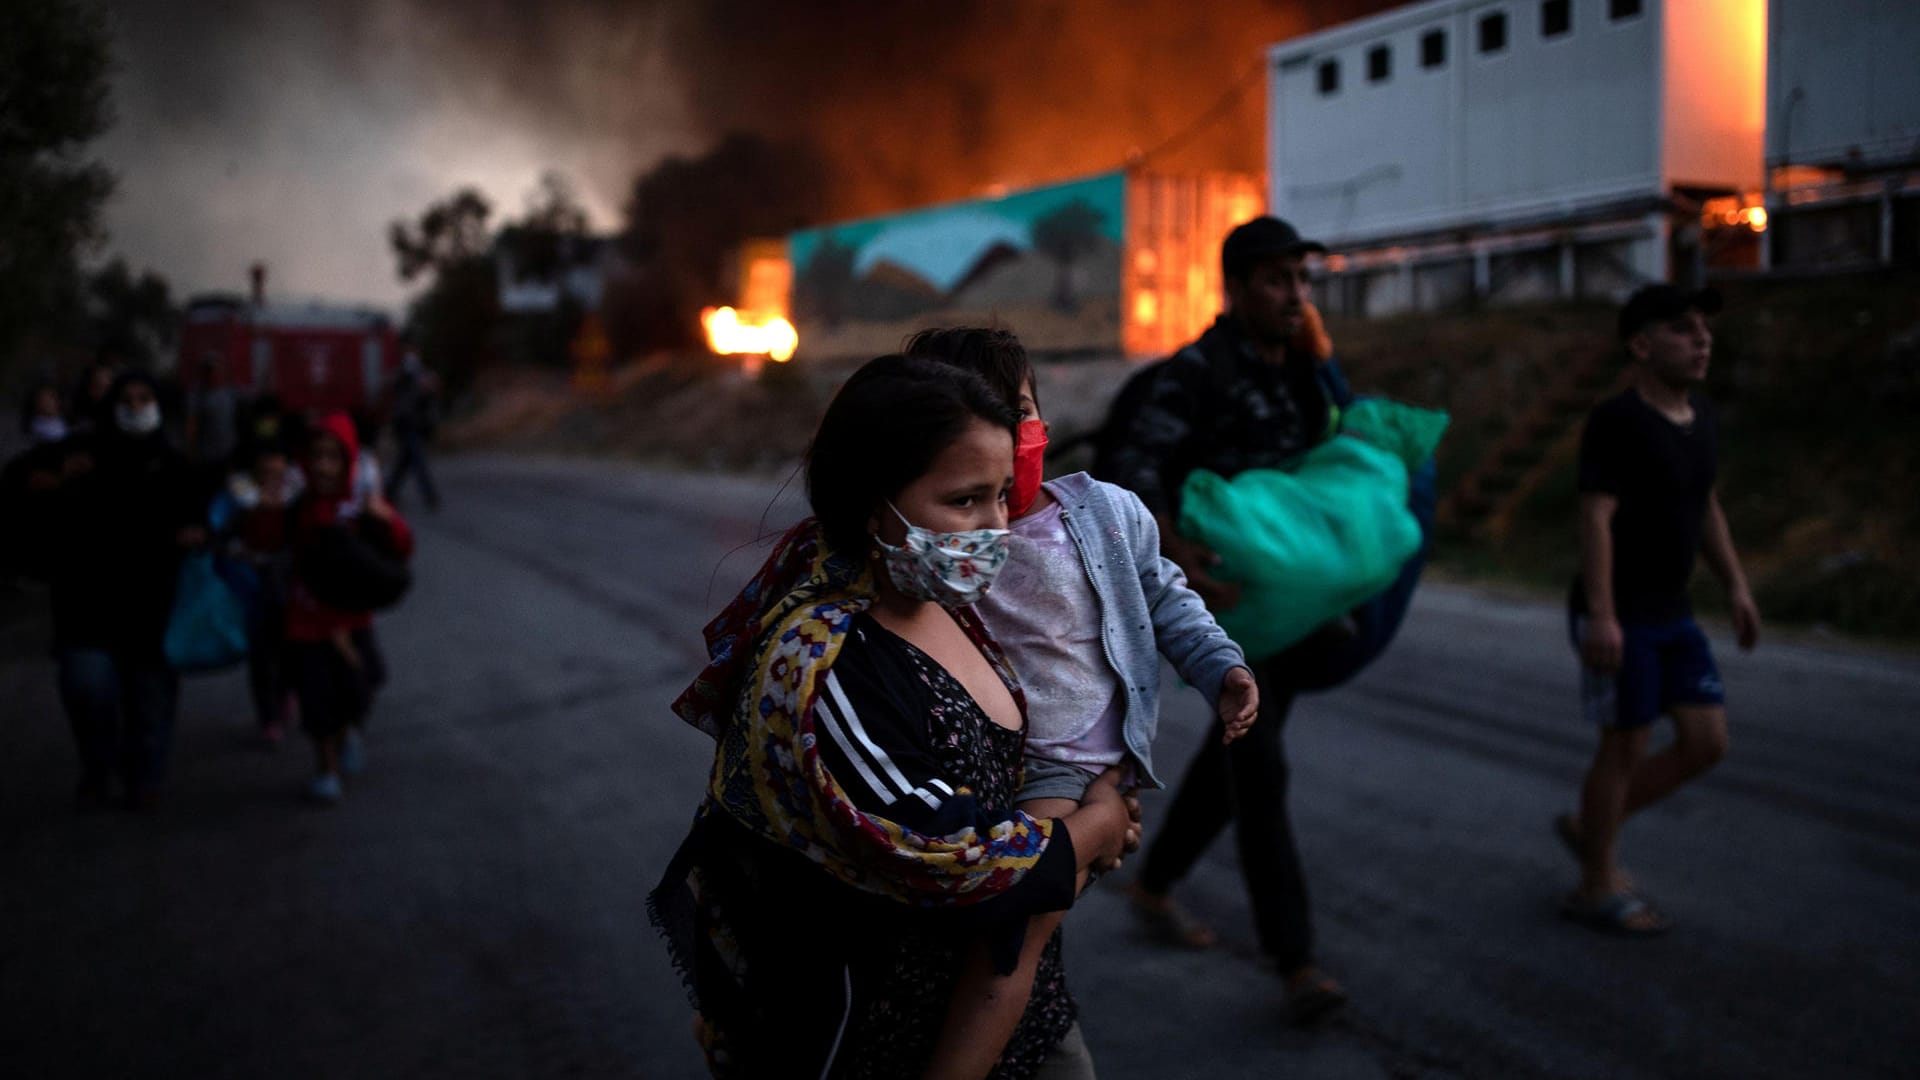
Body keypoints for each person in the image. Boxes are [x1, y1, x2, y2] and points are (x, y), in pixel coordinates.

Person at [650, 355, 1137, 1079]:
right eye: (965, 500)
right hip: (890, 1044)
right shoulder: (828, 667)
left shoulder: (942, 603)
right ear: (873, 503)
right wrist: (1094, 828)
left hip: (1019, 1014)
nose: (996, 527)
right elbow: (956, 860)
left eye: (1003, 495)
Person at [1104, 216, 1373, 1023]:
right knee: (1260, 770)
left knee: (1242, 752)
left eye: (1303, 281)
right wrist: (1179, 556)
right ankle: (1296, 963)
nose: (1295, 296)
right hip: (1226, 612)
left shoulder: (1301, 371)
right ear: (1238, 287)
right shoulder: (1193, 375)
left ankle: (1153, 886)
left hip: (1293, 603)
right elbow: (1129, 478)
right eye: (1278, 282)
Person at [1556, 284, 1758, 935]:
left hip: (1674, 610)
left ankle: (1593, 830)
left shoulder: (1702, 417)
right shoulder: (1617, 421)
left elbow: (1706, 508)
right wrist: (1605, 616)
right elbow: (1596, 517)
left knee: (1706, 742)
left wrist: (1736, 585)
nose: (1702, 339)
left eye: (1705, 328)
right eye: (1682, 329)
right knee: (1624, 744)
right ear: (1642, 345)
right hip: (1621, 613)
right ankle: (1595, 885)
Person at [34, 372, 205, 810]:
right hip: (86, 603)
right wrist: (54, 480)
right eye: (125, 398)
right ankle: (97, 767)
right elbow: (23, 478)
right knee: (88, 689)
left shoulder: (174, 466)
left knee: (150, 705)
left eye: (144, 397)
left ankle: (144, 779)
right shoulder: (83, 453)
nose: (135, 406)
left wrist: (196, 534)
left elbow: (204, 516)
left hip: (153, 608)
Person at [285, 413, 412, 804]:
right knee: (316, 697)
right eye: (316, 456)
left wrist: (386, 520)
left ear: (348, 461)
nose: (324, 466)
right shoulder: (298, 506)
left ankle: (348, 733)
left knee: (360, 688)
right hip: (308, 622)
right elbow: (272, 542)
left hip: (353, 620)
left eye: (333, 457)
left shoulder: (362, 504)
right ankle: (326, 768)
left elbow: (402, 548)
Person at [210, 441, 305, 744]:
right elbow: (221, 534)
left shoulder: (297, 494)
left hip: (288, 584)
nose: (272, 469)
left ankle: (285, 691)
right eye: (266, 463)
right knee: (261, 654)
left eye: (277, 461)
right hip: (252, 585)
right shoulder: (239, 497)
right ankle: (268, 715)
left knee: (290, 646)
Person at [383, 352, 440, 511]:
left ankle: (389, 491)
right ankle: (430, 495)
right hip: (406, 423)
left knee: (406, 460)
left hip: (416, 424)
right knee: (417, 460)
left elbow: (430, 395)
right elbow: (390, 384)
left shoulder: (423, 376)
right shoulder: (402, 376)